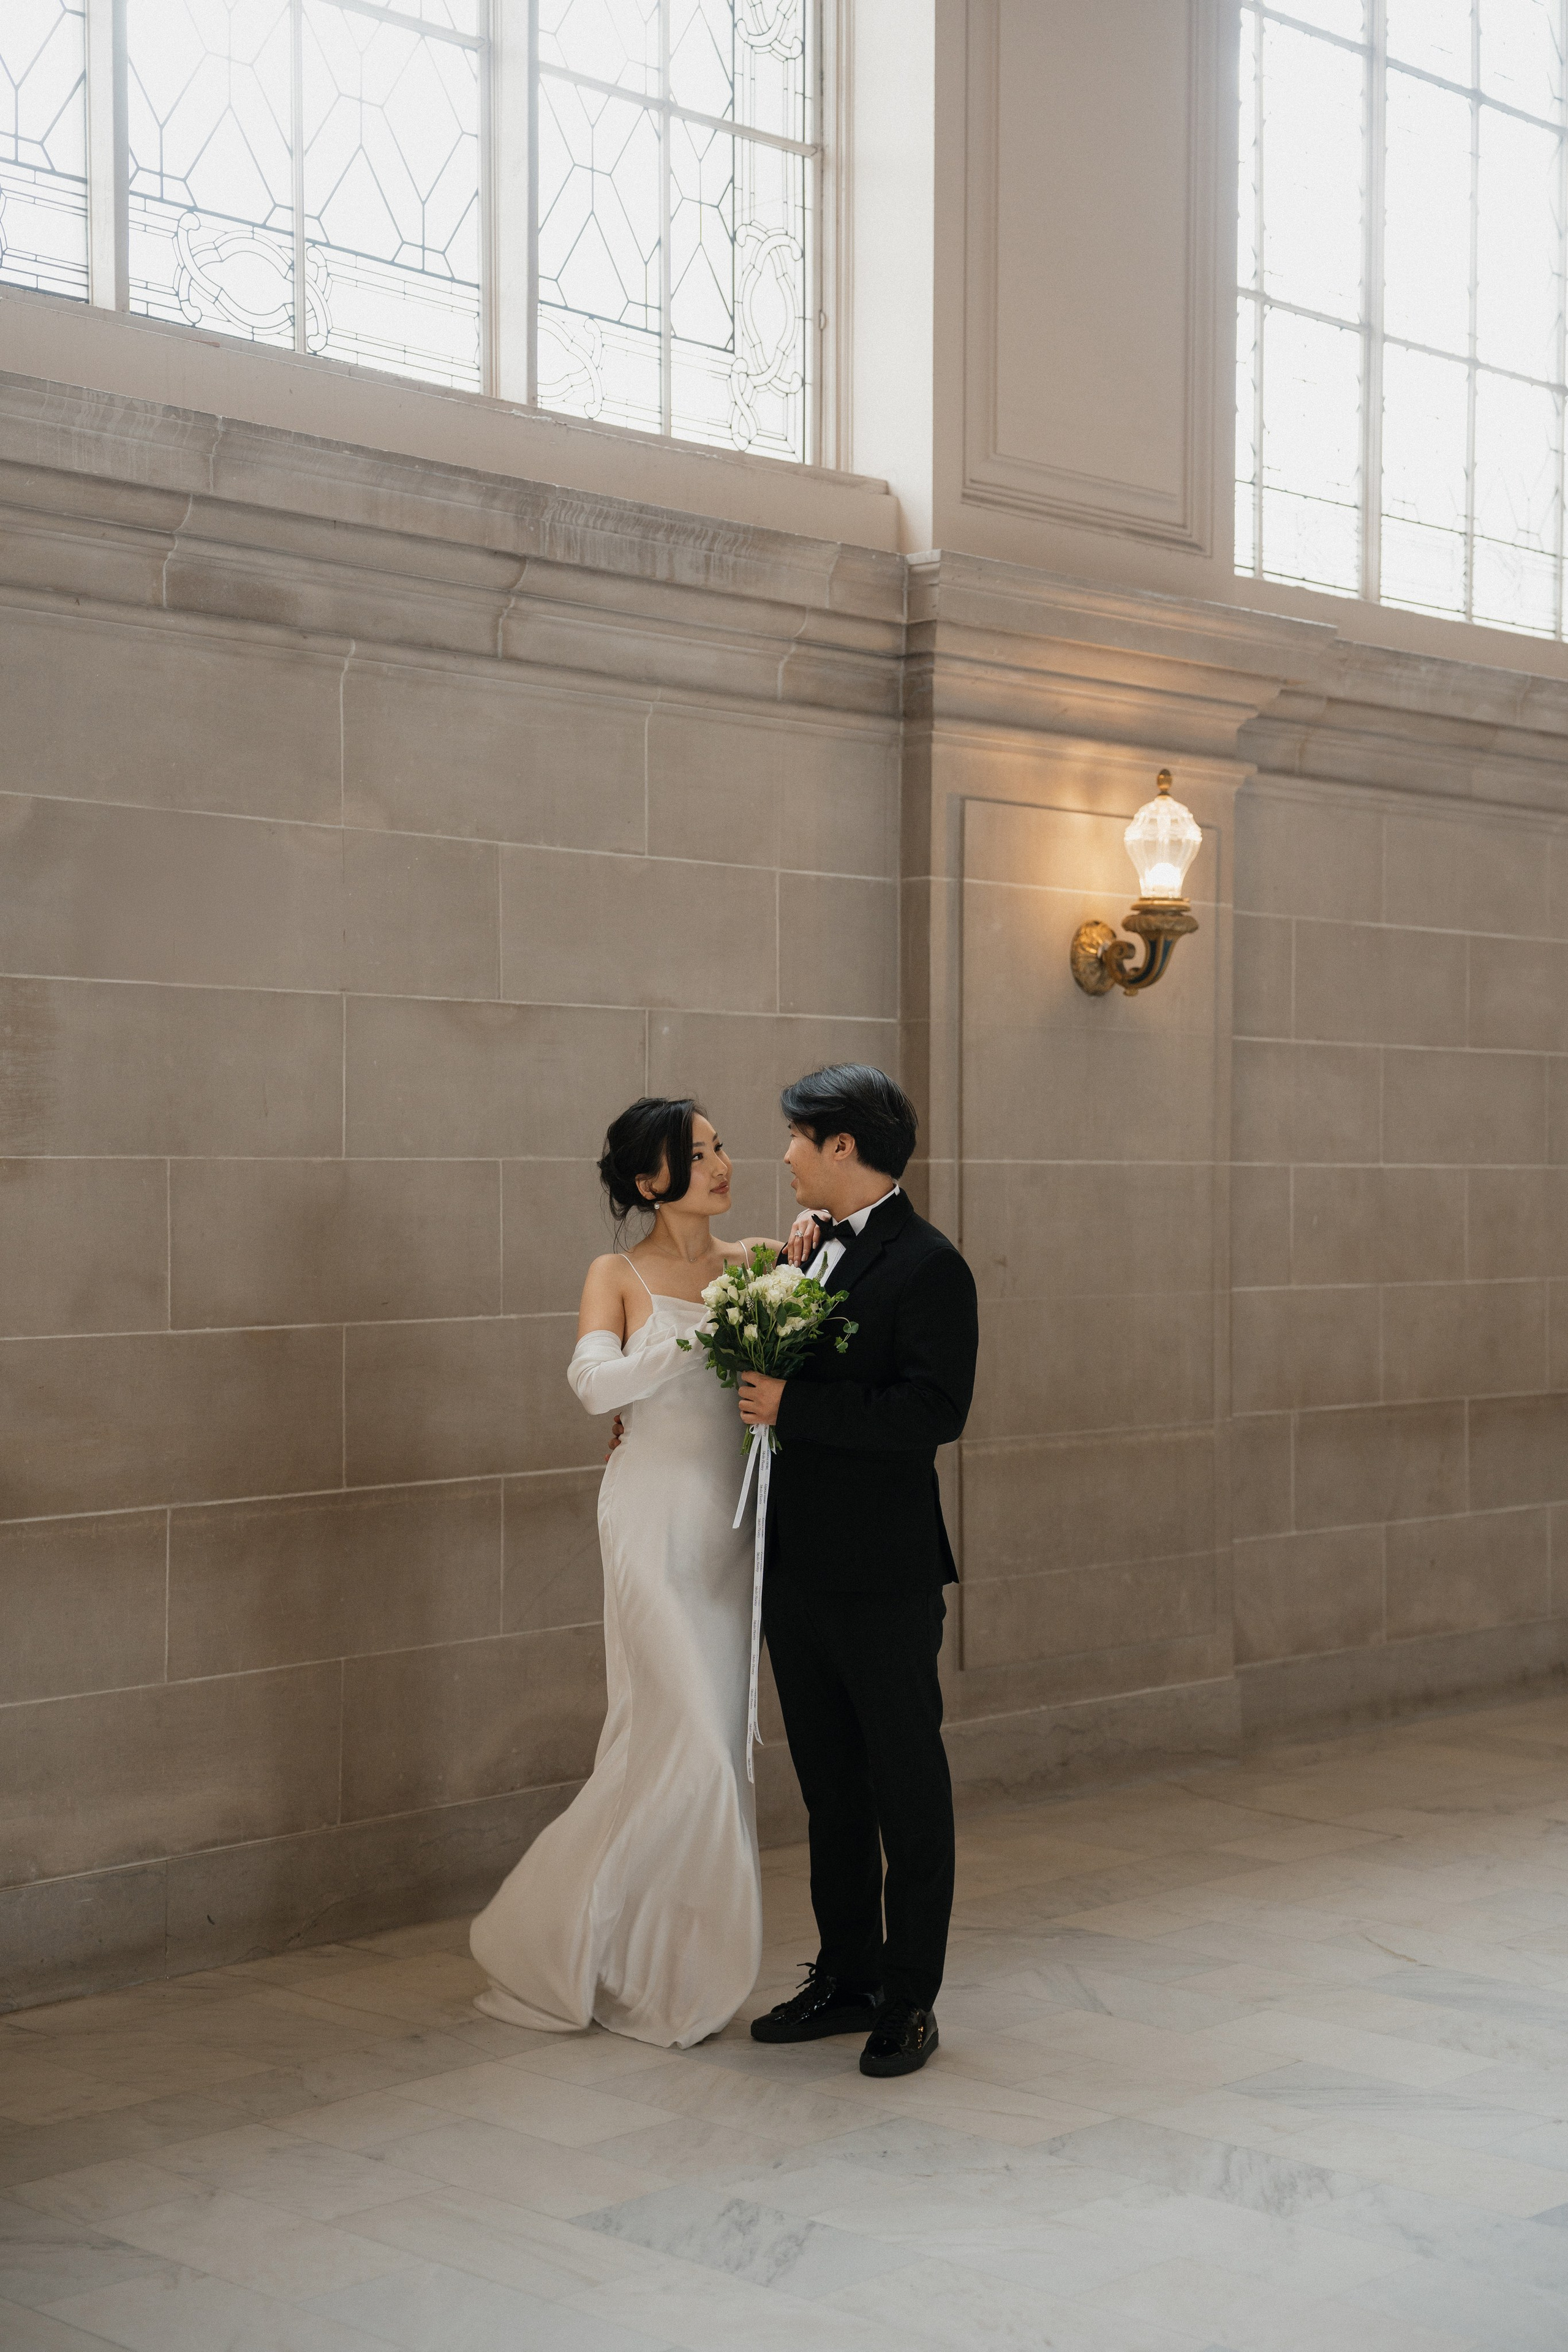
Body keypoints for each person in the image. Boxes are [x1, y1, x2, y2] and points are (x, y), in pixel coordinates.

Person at [469, 1096, 812, 2048]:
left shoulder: (754, 1265)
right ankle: (571, 1946)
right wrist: (692, 1336)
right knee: (688, 1736)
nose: (721, 1163)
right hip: (649, 1515)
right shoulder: (615, 1274)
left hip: (729, 1524)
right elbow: (592, 1388)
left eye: (719, 1145)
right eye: (696, 1153)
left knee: (700, 1749)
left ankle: (657, 1963)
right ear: (651, 1178)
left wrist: (800, 1257)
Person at [739, 1065, 979, 2079]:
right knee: (831, 1788)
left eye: (797, 1136)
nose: (785, 1152)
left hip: (882, 1575)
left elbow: (934, 1413)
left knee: (904, 1785)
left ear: (843, 1146)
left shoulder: (931, 1266)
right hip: (798, 1572)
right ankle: (847, 1974)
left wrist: (797, 1408)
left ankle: (911, 2000)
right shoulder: (807, 1254)